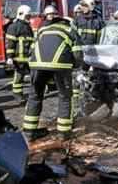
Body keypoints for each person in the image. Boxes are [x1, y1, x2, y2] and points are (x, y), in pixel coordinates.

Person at [24, 10, 83, 142]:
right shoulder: (70, 30)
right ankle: (63, 133)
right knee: (65, 97)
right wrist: (75, 67)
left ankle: (29, 132)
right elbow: (78, 54)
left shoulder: (44, 30)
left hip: (37, 65)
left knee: (34, 97)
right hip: (60, 66)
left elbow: (31, 50)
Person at [5, 5, 34, 105]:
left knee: (35, 77)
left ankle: (35, 95)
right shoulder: (14, 27)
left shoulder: (28, 27)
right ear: (21, 14)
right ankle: (18, 98)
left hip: (29, 58)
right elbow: (10, 43)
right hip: (19, 59)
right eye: (27, 16)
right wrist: (9, 57)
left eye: (29, 16)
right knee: (18, 79)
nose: (29, 18)